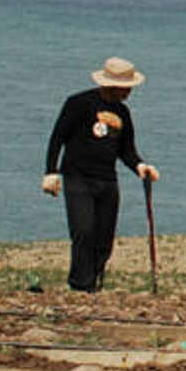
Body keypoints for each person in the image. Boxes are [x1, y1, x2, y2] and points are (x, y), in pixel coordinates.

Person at [41, 57, 161, 293]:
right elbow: (58, 137)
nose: (129, 92)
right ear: (111, 85)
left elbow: (126, 149)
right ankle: (80, 286)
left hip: (107, 180)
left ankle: (93, 282)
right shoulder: (78, 103)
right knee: (84, 231)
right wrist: (51, 172)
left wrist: (140, 165)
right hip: (78, 179)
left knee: (104, 239)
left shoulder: (123, 113)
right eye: (126, 88)